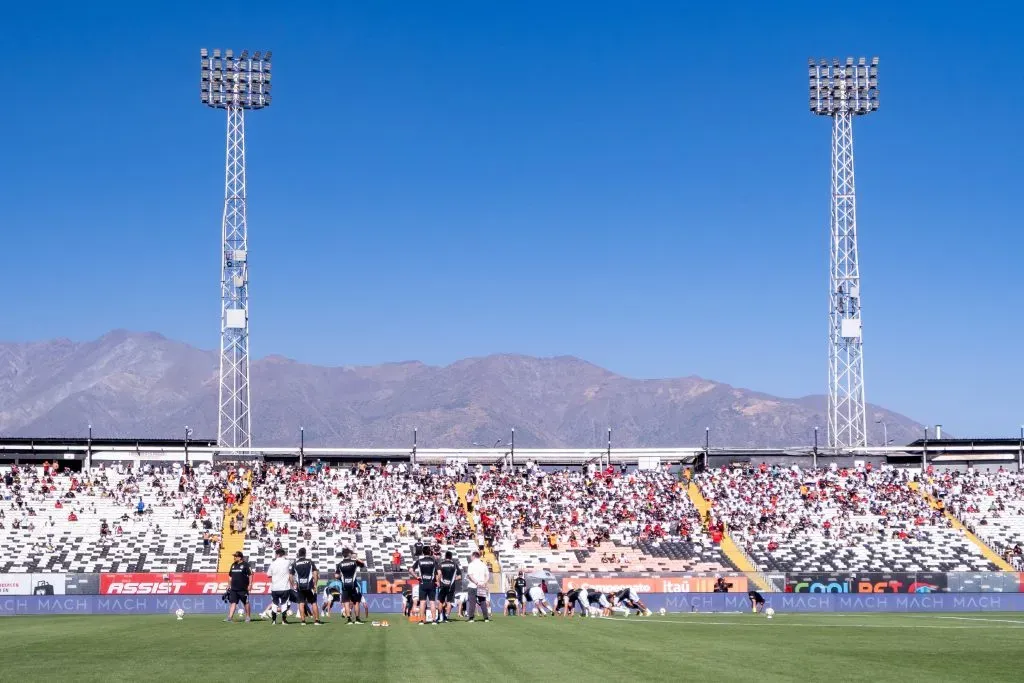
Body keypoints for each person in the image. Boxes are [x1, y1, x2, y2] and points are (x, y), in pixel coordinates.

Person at [291, 547, 321, 625]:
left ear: (298, 554)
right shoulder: (310, 562)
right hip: (309, 586)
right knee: (313, 602)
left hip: (300, 586)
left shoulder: (295, 563)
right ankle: (316, 621)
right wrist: (315, 584)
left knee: (301, 603)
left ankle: (303, 621)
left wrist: (293, 584)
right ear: (305, 554)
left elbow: (290, 575)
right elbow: (315, 573)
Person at [336, 548, 366, 625]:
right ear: (349, 554)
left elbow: (336, 576)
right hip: (353, 585)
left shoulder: (339, 564)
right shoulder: (354, 562)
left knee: (346, 603)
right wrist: (356, 558)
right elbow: (363, 564)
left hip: (344, 585)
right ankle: (357, 620)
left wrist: (342, 580)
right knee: (356, 602)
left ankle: (349, 620)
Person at [411, 549, 440, 625]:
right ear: (430, 552)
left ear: (423, 553)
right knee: (432, 602)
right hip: (431, 584)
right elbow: (439, 572)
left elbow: (410, 570)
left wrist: (416, 577)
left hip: (422, 584)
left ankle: (421, 621)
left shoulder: (419, 561)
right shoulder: (433, 561)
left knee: (422, 602)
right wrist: (438, 581)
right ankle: (434, 620)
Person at [267, 547, 293, 625]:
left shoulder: (272, 563)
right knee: (284, 604)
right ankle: (283, 621)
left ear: (277, 554)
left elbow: (268, 575)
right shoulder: (287, 562)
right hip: (285, 587)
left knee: (275, 604)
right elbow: (291, 566)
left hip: (275, 588)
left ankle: (274, 621)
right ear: (283, 554)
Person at [225, 551, 252, 622]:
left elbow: (250, 575)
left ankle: (248, 617)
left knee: (245, 602)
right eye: (234, 556)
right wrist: (228, 584)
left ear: (240, 557)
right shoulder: (233, 565)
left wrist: (250, 584)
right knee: (233, 602)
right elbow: (230, 576)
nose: (234, 558)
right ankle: (229, 617)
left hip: (243, 588)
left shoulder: (246, 565)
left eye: (235, 556)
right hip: (233, 588)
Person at [464, 551, 491, 622]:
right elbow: (488, 575)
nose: (470, 558)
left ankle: (471, 618)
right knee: (483, 602)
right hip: (482, 585)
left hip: (473, 585)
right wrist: (484, 583)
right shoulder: (483, 564)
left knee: (472, 602)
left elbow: (470, 575)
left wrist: (476, 582)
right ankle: (486, 618)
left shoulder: (471, 564)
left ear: (474, 556)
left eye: (471, 556)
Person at [436, 551, 462, 624]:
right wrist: (453, 579)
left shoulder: (441, 564)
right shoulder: (454, 564)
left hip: (443, 585)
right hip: (451, 586)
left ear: (445, 557)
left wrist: (438, 582)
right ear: (451, 557)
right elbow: (459, 576)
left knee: (441, 601)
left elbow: (439, 574)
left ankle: (439, 617)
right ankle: (446, 617)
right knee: (449, 602)